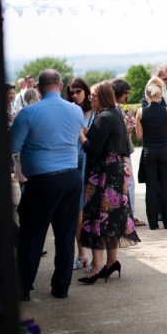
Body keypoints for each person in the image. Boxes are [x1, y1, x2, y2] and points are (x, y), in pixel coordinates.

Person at [9, 69, 84, 301]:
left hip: (42, 181)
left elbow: (12, 146)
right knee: (65, 235)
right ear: (61, 87)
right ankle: (61, 286)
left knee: (31, 236)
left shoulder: (29, 112)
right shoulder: (76, 110)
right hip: (71, 178)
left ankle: (22, 288)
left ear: (38, 88)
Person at [77, 82, 140, 285]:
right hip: (114, 170)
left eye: (92, 95)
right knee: (111, 217)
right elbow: (115, 143)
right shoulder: (115, 114)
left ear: (99, 96)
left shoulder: (104, 117)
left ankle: (97, 266)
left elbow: (93, 148)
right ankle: (112, 261)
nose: (90, 99)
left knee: (97, 217)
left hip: (102, 171)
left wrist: (79, 133)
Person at [136, 77, 167, 230]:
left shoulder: (140, 112)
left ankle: (153, 224)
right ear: (160, 95)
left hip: (149, 151)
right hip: (165, 150)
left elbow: (139, 136)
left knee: (151, 188)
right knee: (166, 187)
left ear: (147, 95)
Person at [142, 64, 167, 219]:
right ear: (158, 77)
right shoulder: (148, 92)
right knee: (156, 179)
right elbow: (147, 114)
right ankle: (157, 211)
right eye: (165, 78)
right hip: (156, 141)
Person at [67, 77, 96, 270]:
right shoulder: (68, 110)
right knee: (77, 213)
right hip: (74, 162)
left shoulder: (96, 112)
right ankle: (82, 253)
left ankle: (96, 255)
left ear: (85, 91)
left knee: (94, 212)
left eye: (78, 91)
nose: (75, 95)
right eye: (71, 92)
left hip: (92, 163)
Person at [112, 79, 146, 227]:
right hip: (121, 151)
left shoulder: (115, 106)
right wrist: (128, 120)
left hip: (122, 150)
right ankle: (128, 217)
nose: (127, 96)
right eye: (126, 93)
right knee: (128, 183)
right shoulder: (113, 107)